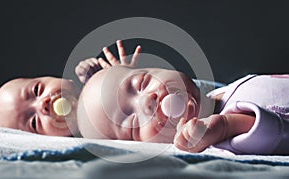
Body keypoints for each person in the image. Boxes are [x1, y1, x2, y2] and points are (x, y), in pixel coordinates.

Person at [76, 43, 289, 155]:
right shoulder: (212, 139)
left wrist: (123, 71)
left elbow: (193, 86)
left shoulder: (213, 96)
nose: (146, 102)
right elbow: (276, 133)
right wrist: (224, 128)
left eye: (142, 83)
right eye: (133, 124)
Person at [0, 40, 141, 137]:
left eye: (37, 91)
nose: (42, 105)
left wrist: (119, 76)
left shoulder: (101, 91)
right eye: (34, 122)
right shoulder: (89, 140)